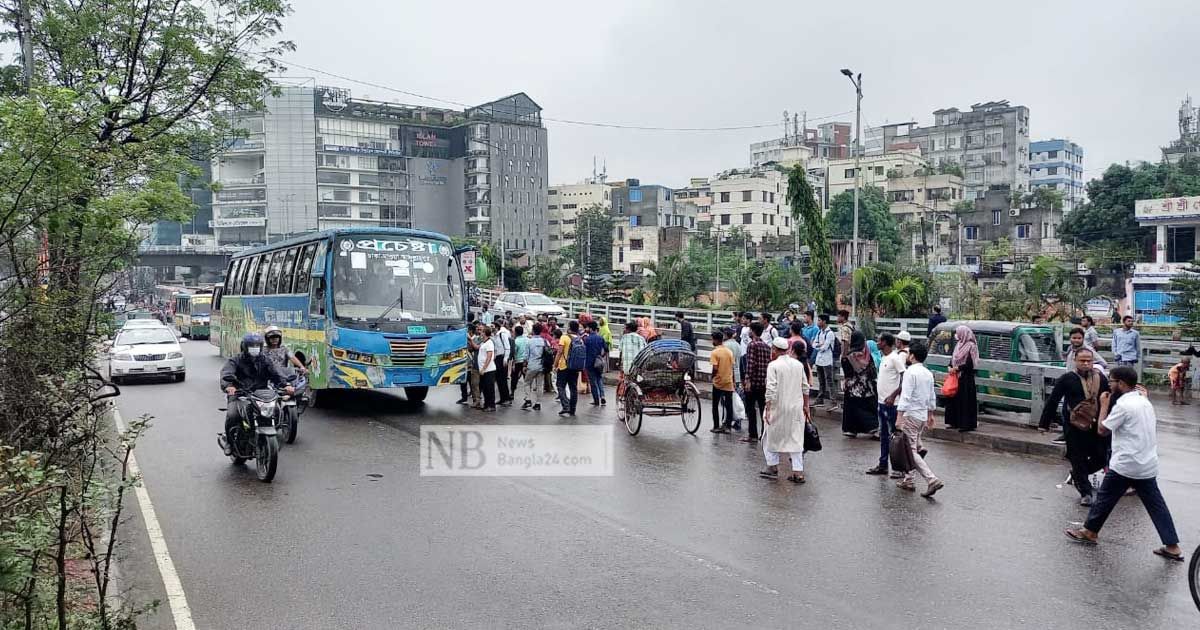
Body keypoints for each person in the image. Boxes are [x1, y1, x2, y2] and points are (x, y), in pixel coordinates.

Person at [1064, 367, 1184, 562]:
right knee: (1156, 505)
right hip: (1146, 463)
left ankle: (1090, 532)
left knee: (1105, 497)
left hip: (1127, 463)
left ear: (1120, 384)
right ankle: (1172, 546)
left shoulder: (1123, 405)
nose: (1109, 386)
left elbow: (1102, 429)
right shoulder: (1144, 402)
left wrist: (1104, 405)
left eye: (1111, 382)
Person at [1039, 347, 1110, 505]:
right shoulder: (1066, 379)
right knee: (1077, 457)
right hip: (1074, 425)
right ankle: (1085, 493)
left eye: (1089, 361)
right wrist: (1044, 423)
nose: (1085, 363)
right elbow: (1053, 400)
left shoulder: (1101, 379)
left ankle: (1078, 474)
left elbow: (1108, 400)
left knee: (1101, 457)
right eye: (1082, 360)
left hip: (1095, 424)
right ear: (1075, 361)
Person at [221, 333, 294, 440]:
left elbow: (276, 375)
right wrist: (229, 386)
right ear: (245, 347)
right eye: (252, 346)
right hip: (240, 393)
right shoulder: (235, 360)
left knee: (276, 410)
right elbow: (226, 374)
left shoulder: (265, 360)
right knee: (233, 415)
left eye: (257, 346)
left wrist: (286, 385)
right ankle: (229, 440)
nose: (254, 349)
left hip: (262, 393)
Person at [895, 341, 944, 497]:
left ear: (913, 356)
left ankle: (931, 479)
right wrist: (930, 416)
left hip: (911, 414)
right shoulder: (928, 373)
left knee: (910, 450)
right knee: (913, 446)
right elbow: (931, 396)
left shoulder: (911, 372)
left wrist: (899, 417)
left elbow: (906, 396)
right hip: (922, 415)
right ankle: (909, 479)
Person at [759, 338, 810, 483]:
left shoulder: (773, 366)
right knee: (796, 439)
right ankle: (798, 472)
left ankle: (772, 467)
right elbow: (805, 387)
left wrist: (768, 409)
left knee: (769, 437)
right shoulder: (798, 365)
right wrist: (806, 406)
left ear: (774, 350)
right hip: (796, 407)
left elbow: (770, 389)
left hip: (778, 406)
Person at [867, 333, 906, 477]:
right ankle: (883, 464)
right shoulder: (884, 357)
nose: (877, 343)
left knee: (894, 437)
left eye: (879, 341)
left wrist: (894, 395)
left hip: (892, 404)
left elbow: (904, 378)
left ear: (885, 343)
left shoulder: (895, 358)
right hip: (882, 402)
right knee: (883, 435)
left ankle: (899, 468)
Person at [840, 331, 879, 438]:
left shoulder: (848, 356)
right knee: (869, 408)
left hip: (853, 388)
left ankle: (852, 430)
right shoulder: (867, 354)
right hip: (868, 386)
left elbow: (847, 373)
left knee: (854, 409)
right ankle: (874, 428)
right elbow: (872, 370)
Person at [944, 325, 979, 433]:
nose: (957, 335)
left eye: (959, 333)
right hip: (956, 377)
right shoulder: (958, 345)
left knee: (965, 401)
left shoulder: (971, 346)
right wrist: (950, 367)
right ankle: (954, 422)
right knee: (954, 400)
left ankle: (966, 424)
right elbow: (953, 359)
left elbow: (971, 364)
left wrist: (958, 368)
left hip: (966, 379)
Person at [741, 321, 771, 445]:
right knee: (763, 409)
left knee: (750, 409)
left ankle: (752, 434)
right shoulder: (766, 346)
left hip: (753, 383)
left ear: (752, 331)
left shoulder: (752, 345)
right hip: (763, 383)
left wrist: (747, 380)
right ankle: (764, 434)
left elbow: (751, 364)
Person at [709, 330, 735, 433]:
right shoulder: (729, 351)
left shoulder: (715, 352)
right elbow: (732, 366)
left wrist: (712, 377)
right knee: (729, 405)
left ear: (715, 340)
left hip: (718, 382)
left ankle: (716, 426)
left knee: (715, 405)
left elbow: (715, 368)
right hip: (728, 381)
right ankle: (728, 427)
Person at [617, 320, 647, 408]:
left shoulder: (624, 338)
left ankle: (628, 399)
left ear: (628, 329)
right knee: (637, 382)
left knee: (627, 382)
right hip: (639, 368)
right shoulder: (641, 338)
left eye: (625, 328)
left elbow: (621, 352)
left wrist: (619, 363)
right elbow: (644, 352)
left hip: (627, 367)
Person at [555, 321, 581, 417]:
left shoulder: (564, 337)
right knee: (573, 388)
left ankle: (566, 406)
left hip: (564, 366)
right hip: (575, 367)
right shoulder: (580, 339)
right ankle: (572, 409)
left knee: (560, 386)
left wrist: (555, 364)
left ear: (569, 328)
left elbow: (560, 352)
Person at [812, 314, 836, 409]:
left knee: (829, 380)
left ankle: (833, 401)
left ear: (824, 321)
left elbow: (824, 347)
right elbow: (814, 344)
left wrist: (819, 345)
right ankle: (820, 399)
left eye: (819, 320)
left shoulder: (829, 333)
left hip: (827, 360)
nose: (818, 322)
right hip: (819, 360)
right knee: (821, 380)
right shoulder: (819, 332)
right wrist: (819, 345)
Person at [522, 323, 548, 411]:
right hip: (542, 365)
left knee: (527, 383)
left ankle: (528, 400)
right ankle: (538, 403)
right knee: (539, 385)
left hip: (532, 365)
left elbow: (526, 356)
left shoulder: (529, 341)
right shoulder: (544, 341)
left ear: (533, 330)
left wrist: (524, 365)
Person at [722, 327, 744, 431]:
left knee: (727, 400)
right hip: (737, 374)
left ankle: (728, 420)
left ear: (725, 335)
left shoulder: (725, 346)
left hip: (728, 375)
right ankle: (737, 420)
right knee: (735, 399)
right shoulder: (738, 345)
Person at [457, 322, 482, 407]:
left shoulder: (477, 339)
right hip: (464, 364)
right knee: (463, 382)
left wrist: (469, 341)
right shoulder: (464, 339)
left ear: (470, 331)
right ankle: (464, 397)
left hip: (473, 364)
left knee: (473, 383)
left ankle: (476, 399)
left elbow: (472, 349)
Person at [584, 320, 608, 406]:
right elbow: (606, 349)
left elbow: (584, 351)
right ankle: (602, 396)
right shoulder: (600, 338)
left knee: (593, 382)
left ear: (590, 329)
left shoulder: (586, 339)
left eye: (587, 327)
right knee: (599, 379)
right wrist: (601, 356)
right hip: (598, 362)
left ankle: (596, 400)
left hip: (589, 362)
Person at [477, 326, 498, 412]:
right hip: (483, 370)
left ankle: (491, 405)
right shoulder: (484, 342)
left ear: (485, 333)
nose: (480, 333)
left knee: (489, 388)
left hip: (489, 370)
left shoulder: (489, 343)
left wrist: (484, 368)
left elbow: (489, 357)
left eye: (482, 332)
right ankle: (486, 404)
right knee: (485, 388)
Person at [493, 319, 512, 406]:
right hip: (497, 358)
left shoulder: (502, 334)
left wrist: (505, 358)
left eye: (493, 327)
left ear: (496, 327)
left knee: (503, 380)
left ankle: (506, 398)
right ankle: (502, 398)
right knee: (499, 380)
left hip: (502, 358)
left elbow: (507, 347)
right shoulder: (495, 335)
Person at [511, 325, 528, 405]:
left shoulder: (516, 341)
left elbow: (514, 353)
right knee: (526, 379)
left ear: (516, 333)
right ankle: (527, 396)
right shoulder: (527, 339)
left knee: (514, 378)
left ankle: (512, 393)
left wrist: (513, 363)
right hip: (526, 362)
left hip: (518, 361)